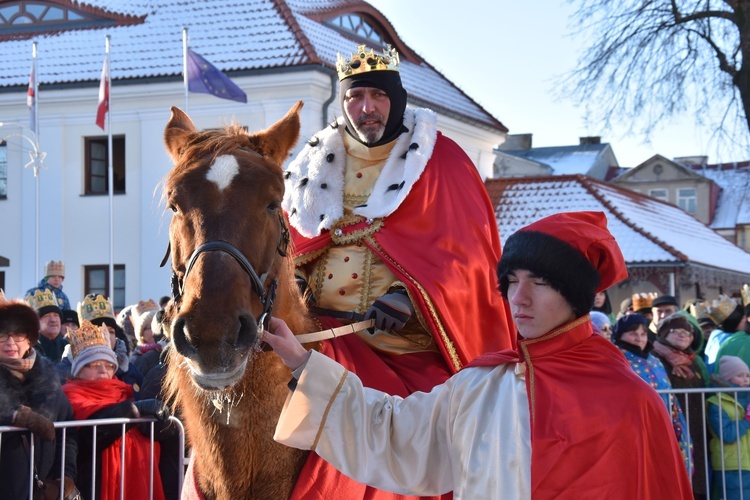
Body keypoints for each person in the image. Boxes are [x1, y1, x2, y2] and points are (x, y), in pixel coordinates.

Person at [266, 211, 693, 498]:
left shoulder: (630, 401)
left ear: (576, 293)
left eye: (539, 282)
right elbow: (395, 436)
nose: (518, 298)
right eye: (510, 280)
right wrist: (303, 364)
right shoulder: (482, 385)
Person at [281, 43, 513, 496]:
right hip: (320, 339)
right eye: (355, 96)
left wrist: (407, 296)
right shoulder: (312, 166)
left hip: (406, 348)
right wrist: (298, 282)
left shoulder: (440, 161)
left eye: (377, 96)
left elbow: (470, 259)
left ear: (397, 97)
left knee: (441, 445)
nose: (366, 108)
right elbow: (291, 247)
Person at [62, 320, 170, 500]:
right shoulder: (69, 395)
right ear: (79, 370)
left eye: (109, 364)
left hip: (134, 477)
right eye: (95, 365)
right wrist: (134, 410)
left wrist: (166, 425)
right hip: (94, 482)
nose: (104, 370)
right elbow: (89, 434)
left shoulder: (122, 391)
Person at [0, 295, 78, 500]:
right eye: (2, 335)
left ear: (29, 340)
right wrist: (16, 417)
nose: (10, 342)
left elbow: (67, 434)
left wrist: (65, 477)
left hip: (41, 491)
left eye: (18, 335)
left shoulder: (49, 380)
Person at [611, 314, 693, 475]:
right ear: (620, 335)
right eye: (633, 334)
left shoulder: (654, 360)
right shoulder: (615, 359)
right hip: (633, 427)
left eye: (642, 334)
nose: (639, 339)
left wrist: (677, 423)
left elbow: (669, 394)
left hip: (663, 423)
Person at [652, 311, 710, 495]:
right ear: (664, 334)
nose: (683, 335)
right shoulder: (656, 358)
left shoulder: (694, 361)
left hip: (697, 425)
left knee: (699, 477)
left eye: (688, 333)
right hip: (673, 424)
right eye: (676, 331)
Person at [707, 355, 750, 500]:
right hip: (732, 465)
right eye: (740, 375)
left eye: (747, 376)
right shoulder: (717, 402)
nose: (745, 380)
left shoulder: (747, 399)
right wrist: (747, 420)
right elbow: (727, 435)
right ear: (727, 378)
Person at [25, 288, 68, 363]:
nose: (53, 320)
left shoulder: (67, 347)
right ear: (36, 322)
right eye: (47, 316)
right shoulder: (29, 349)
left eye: (56, 315)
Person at [708, 294, 748, 373]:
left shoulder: (717, 336)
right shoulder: (733, 340)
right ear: (734, 321)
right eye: (743, 318)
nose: (747, 320)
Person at [128, 299, 165, 378]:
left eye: (158, 326)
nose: (155, 330)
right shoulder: (139, 360)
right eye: (149, 327)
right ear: (141, 334)